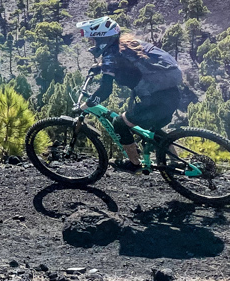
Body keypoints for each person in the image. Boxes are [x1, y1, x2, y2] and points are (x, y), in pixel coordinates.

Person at [76, 16, 183, 171]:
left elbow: (105, 90)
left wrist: (85, 106)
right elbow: (126, 64)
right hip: (170, 94)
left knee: (119, 122)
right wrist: (101, 66)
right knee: (151, 127)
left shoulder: (111, 55)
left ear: (102, 39)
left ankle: (134, 164)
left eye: (93, 40)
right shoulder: (128, 44)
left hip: (157, 100)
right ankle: (176, 162)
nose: (92, 43)